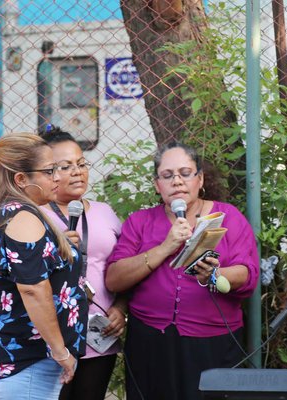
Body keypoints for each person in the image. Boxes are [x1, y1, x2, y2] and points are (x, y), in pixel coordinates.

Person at [105, 142, 259, 399]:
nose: (177, 181)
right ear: (157, 185)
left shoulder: (229, 217)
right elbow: (114, 279)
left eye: (185, 173)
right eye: (167, 175)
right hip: (150, 342)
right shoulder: (140, 222)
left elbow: (248, 274)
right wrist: (166, 247)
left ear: (200, 179)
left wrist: (216, 274)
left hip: (212, 342)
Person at [0, 133, 87, 399]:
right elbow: (33, 290)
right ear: (21, 179)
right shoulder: (23, 217)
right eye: (49, 171)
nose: (58, 177)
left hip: (13, 357)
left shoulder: (4, 211)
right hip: (26, 360)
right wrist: (60, 350)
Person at [38, 126, 126, 400]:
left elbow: (122, 268)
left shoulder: (105, 212)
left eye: (81, 164)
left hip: (99, 335)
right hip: (50, 339)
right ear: (46, 172)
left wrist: (121, 309)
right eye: (65, 166)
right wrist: (54, 250)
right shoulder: (32, 215)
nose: (77, 172)